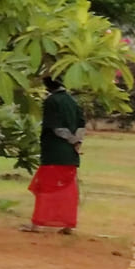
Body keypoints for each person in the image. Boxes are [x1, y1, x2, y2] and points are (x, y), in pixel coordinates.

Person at [27, 75, 86, 233]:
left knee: (45, 188)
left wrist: (71, 139)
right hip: (70, 154)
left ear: (48, 86)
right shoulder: (72, 100)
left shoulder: (51, 101)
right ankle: (68, 225)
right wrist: (76, 142)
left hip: (54, 151)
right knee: (68, 190)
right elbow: (81, 124)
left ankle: (37, 224)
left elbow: (55, 127)